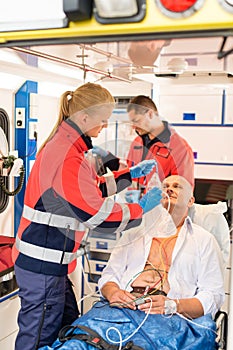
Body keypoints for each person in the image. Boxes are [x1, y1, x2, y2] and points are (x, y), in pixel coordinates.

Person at [12, 82, 162, 350]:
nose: (105, 126)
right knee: (37, 341)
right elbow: (98, 216)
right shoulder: (68, 155)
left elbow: (89, 190)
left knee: (67, 331)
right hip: (42, 266)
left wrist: (130, 175)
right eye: (102, 120)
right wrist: (141, 208)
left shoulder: (67, 146)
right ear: (84, 118)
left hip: (48, 266)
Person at [98, 175, 225, 320]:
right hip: (124, 310)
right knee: (79, 339)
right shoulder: (133, 234)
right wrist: (113, 292)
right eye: (165, 187)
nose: (169, 189)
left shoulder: (204, 240)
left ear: (190, 201)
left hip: (171, 318)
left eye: (177, 186)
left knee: (137, 344)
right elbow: (109, 275)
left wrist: (174, 305)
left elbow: (213, 295)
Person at [126, 95, 195, 190]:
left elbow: (183, 192)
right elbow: (129, 176)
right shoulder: (136, 143)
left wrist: (151, 200)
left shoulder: (181, 148)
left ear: (150, 114)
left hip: (161, 205)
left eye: (137, 121)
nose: (133, 127)